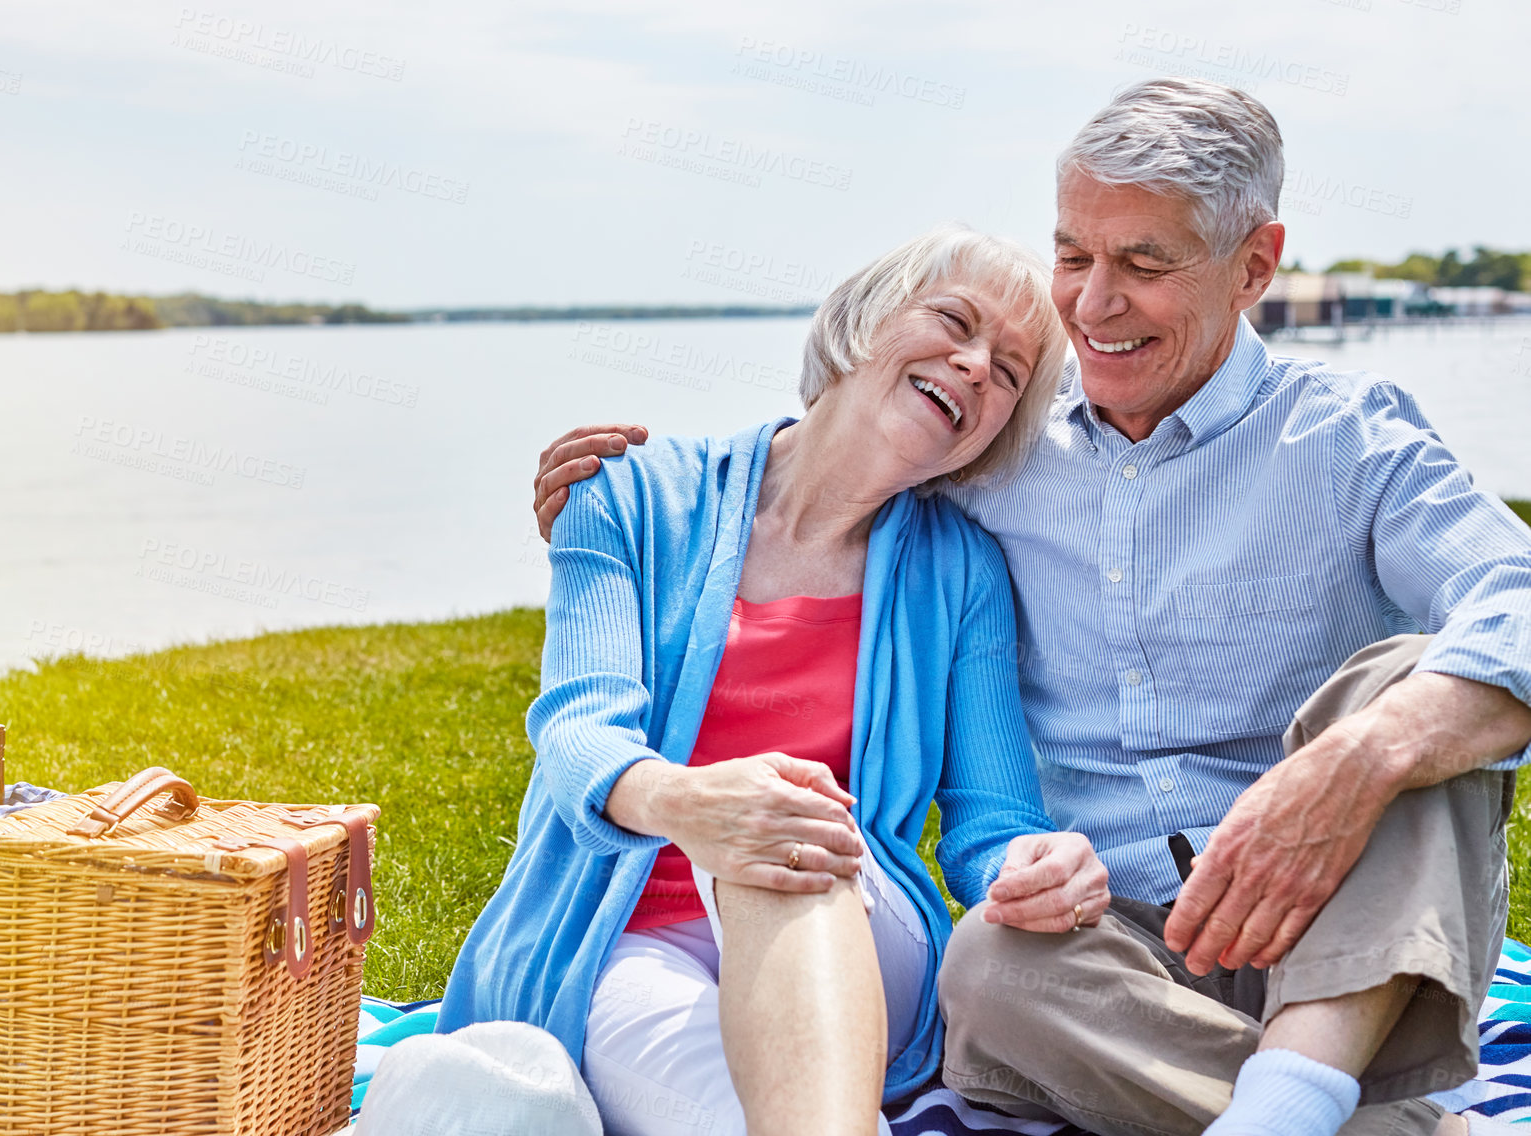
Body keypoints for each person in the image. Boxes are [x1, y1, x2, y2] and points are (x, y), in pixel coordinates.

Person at [532, 79, 1531, 1136]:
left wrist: (1352, 760)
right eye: (1073, 255)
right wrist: (619, 512)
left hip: (1336, 922)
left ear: (1254, 265)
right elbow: (845, 444)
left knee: (1422, 682)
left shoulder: (1349, 442)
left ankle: (1295, 1091)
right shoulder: (995, 442)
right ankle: (1348, 1120)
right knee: (989, 963)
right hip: (1115, 953)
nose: (1094, 304)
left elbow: (1517, 602)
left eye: (1145, 263)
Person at [437, 226, 1099, 1136]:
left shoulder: (964, 573)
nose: (978, 365)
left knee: (788, 830)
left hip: (857, 925)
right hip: (624, 937)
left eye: (1012, 371)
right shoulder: (625, 494)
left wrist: (1031, 869)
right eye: (953, 320)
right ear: (863, 325)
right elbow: (576, 732)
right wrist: (692, 805)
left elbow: (995, 820)